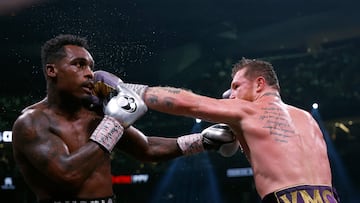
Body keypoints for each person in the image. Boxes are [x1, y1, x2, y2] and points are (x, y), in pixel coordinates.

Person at [11, 34, 239, 203]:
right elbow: (68, 175)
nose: (89, 73)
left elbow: (147, 148)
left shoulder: (95, 114)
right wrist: (115, 122)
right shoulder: (31, 123)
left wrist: (203, 140)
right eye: (78, 64)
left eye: (90, 66)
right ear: (52, 71)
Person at [103, 58, 340, 202]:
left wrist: (132, 90)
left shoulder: (247, 111)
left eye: (236, 85)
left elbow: (191, 103)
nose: (232, 94)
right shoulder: (307, 118)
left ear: (259, 83)